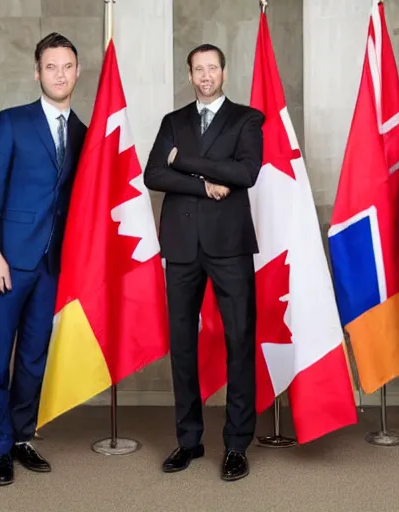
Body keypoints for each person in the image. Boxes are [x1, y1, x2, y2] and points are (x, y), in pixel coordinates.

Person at [144, 43, 264, 481]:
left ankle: (236, 444)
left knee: (239, 342)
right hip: (180, 246)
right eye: (199, 69)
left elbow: (246, 172)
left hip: (229, 245)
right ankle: (188, 440)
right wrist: (205, 183)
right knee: (182, 346)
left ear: (224, 73)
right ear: (190, 75)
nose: (206, 75)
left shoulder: (248, 118)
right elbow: (153, 173)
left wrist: (188, 164)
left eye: (213, 68)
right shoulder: (172, 121)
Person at [0, 32, 87, 486]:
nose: (59, 74)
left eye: (66, 67)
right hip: (10, 259)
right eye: (50, 67)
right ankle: (0, 448)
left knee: (33, 359)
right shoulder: (12, 121)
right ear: (36, 71)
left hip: (52, 264)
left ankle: (23, 436)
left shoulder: (84, 132)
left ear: (77, 72)